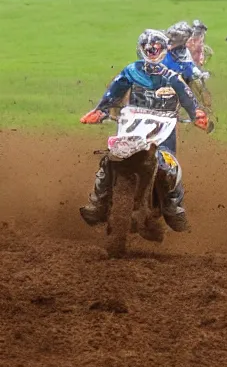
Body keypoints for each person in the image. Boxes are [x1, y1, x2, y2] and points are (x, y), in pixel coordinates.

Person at [79, 30, 210, 231]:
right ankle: (97, 202)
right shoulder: (131, 71)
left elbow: (188, 98)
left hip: (162, 128)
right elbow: (113, 92)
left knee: (168, 166)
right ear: (142, 49)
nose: (152, 52)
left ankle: (174, 207)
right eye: (149, 49)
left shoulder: (173, 77)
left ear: (164, 50)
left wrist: (197, 115)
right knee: (109, 159)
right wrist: (100, 110)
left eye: (156, 48)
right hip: (132, 125)